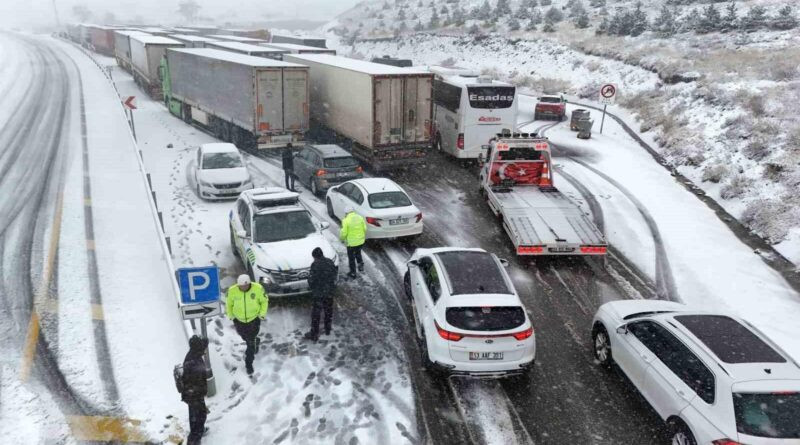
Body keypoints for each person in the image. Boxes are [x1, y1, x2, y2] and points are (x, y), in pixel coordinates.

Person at [225, 274, 268, 375]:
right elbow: (229, 305)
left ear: (249, 284)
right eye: (241, 286)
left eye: (245, 286)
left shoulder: (258, 289)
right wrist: (232, 317)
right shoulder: (232, 291)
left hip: (254, 320)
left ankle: (249, 363)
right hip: (239, 321)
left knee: (250, 343)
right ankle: (255, 341)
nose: (243, 288)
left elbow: (264, 302)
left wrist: (261, 315)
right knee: (245, 338)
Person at [304, 247, 338, 341]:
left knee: (316, 314)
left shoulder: (315, 265)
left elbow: (311, 279)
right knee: (328, 312)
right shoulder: (330, 262)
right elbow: (334, 274)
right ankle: (327, 329)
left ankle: (314, 333)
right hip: (329, 292)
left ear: (315, 257)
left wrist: (311, 286)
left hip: (319, 293)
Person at [182, 335, 209, 445]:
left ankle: (199, 432)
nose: (204, 351)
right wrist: (199, 391)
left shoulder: (194, 355)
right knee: (197, 416)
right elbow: (192, 381)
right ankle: (194, 440)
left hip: (195, 394)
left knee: (198, 415)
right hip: (193, 394)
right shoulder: (192, 361)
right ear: (198, 348)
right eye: (203, 349)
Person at [339, 206, 366, 279]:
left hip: (351, 243)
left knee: (351, 258)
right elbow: (365, 228)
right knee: (358, 253)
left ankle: (353, 272)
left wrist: (342, 239)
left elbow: (344, 232)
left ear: (346, 213)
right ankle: (360, 265)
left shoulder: (345, 220)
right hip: (360, 241)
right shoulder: (360, 217)